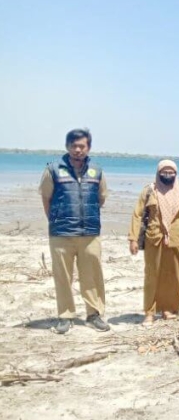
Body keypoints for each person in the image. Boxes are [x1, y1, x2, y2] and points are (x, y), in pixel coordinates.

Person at [39, 128, 110, 334]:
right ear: (67, 146)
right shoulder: (53, 169)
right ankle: (65, 316)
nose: (78, 149)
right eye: (74, 145)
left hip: (90, 233)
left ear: (88, 147)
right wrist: (55, 219)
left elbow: (101, 197)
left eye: (82, 146)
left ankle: (94, 314)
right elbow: (46, 198)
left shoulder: (96, 171)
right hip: (61, 234)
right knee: (63, 276)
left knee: (93, 275)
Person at [129, 160, 179, 324]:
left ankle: (168, 308)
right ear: (158, 173)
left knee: (174, 276)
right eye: (164, 172)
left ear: (176, 174)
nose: (168, 175)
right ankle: (149, 312)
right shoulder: (149, 191)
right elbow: (137, 215)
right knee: (152, 275)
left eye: (171, 172)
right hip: (154, 238)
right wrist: (133, 239)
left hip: (176, 240)